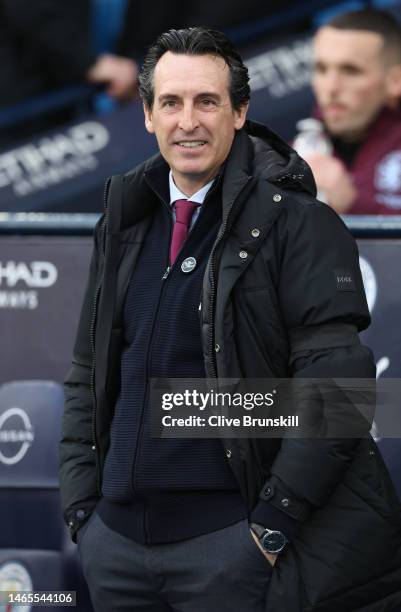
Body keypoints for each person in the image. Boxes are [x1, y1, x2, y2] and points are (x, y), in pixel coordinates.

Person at [59, 27, 401, 612]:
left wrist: (267, 531)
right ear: (146, 115)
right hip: (116, 553)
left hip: (232, 556)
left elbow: (340, 395)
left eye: (207, 101)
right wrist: (85, 517)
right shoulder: (122, 224)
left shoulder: (300, 223)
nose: (187, 121)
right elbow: (86, 376)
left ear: (240, 112)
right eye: (170, 102)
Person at [301, 9, 401, 215]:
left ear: (395, 81)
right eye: (321, 69)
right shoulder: (289, 155)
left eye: (351, 71)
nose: (331, 87)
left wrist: (353, 203)